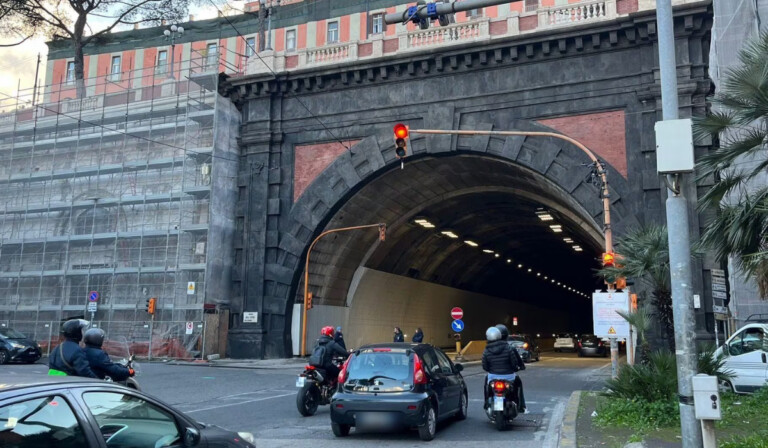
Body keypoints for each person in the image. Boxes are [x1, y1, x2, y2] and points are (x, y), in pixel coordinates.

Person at [481, 325, 526, 412]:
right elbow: (514, 364)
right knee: (518, 383)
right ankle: (520, 405)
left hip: (493, 377)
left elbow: (485, 367)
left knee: (486, 384)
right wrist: (516, 368)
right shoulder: (509, 348)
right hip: (508, 376)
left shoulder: (486, 350)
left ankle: (486, 402)